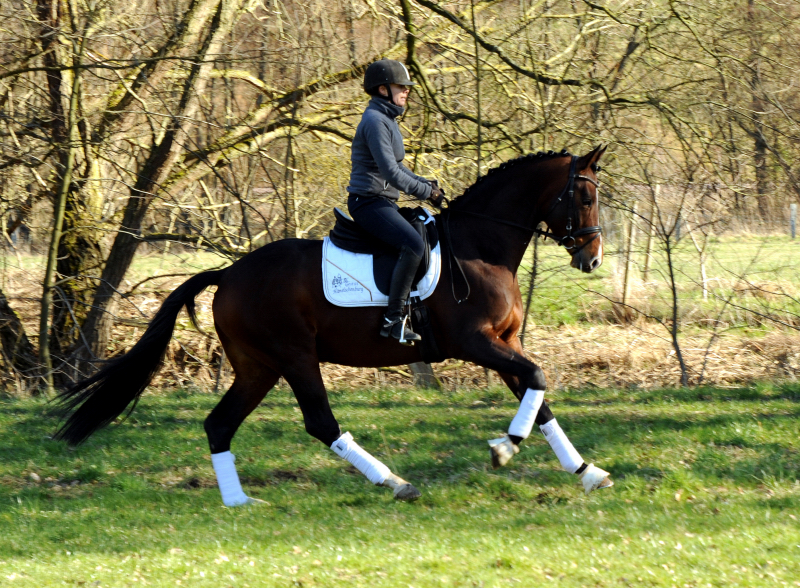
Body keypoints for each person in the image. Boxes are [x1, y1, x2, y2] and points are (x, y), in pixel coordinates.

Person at [347, 59, 444, 344]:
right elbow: (390, 172)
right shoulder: (375, 121)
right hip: (368, 203)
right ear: (383, 88)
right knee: (412, 244)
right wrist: (426, 192)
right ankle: (393, 320)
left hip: (383, 202)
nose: (407, 91)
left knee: (422, 231)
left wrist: (427, 184)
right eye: (402, 86)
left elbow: (398, 168)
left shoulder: (386, 120)